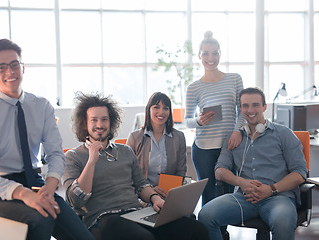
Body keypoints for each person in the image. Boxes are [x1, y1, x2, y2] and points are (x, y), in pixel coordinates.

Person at [0, 39, 93, 240]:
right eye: (2, 67)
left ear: (23, 68)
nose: (10, 72)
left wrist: (51, 186)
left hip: (36, 183)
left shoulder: (41, 106)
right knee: (41, 218)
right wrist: (23, 194)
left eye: (14, 64)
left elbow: (55, 154)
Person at [62, 92, 209, 240]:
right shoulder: (73, 156)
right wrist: (91, 161)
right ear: (84, 123)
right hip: (104, 219)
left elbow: (141, 184)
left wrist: (155, 198)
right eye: (94, 120)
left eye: (104, 119)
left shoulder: (125, 151)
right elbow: (75, 200)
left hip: (136, 213)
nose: (100, 125)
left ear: (111, 122)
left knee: (196, 230)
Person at [198, 87, 308, 240]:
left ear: (264, 107)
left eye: (255, 105)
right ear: (240, 108)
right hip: (244, 198)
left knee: (282, 221)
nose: (250, 110)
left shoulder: (283, 133)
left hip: (278, 197)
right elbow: (219, 170)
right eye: (245, 106)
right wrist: (241, 182)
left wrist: (271, 189)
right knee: (206, 215)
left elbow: (300, 173)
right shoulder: (234, 138)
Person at [184, 31, 246, 206]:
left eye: (214, 53)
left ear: (220, 54)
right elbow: (186, 120)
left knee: (228, 194)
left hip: (229, 145)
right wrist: (198, 121)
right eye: (206, 53)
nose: (210, 58)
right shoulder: (193, 87)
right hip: (203, 148)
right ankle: (211, 233)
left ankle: (223, 233)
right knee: (209, 195)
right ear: (199, 56)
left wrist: (237, 131)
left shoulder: (234, 79)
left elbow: (242, 111)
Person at [127, 92, 187, 198]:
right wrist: (149, 193)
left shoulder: (179, 137)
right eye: (156, 107)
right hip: (142, 196)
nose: (161, 112)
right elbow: (128, 173)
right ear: (149, 109)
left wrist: (171, 193)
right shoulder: (135, 137)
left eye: (165, 108)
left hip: (168, 194)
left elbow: (181, 171)